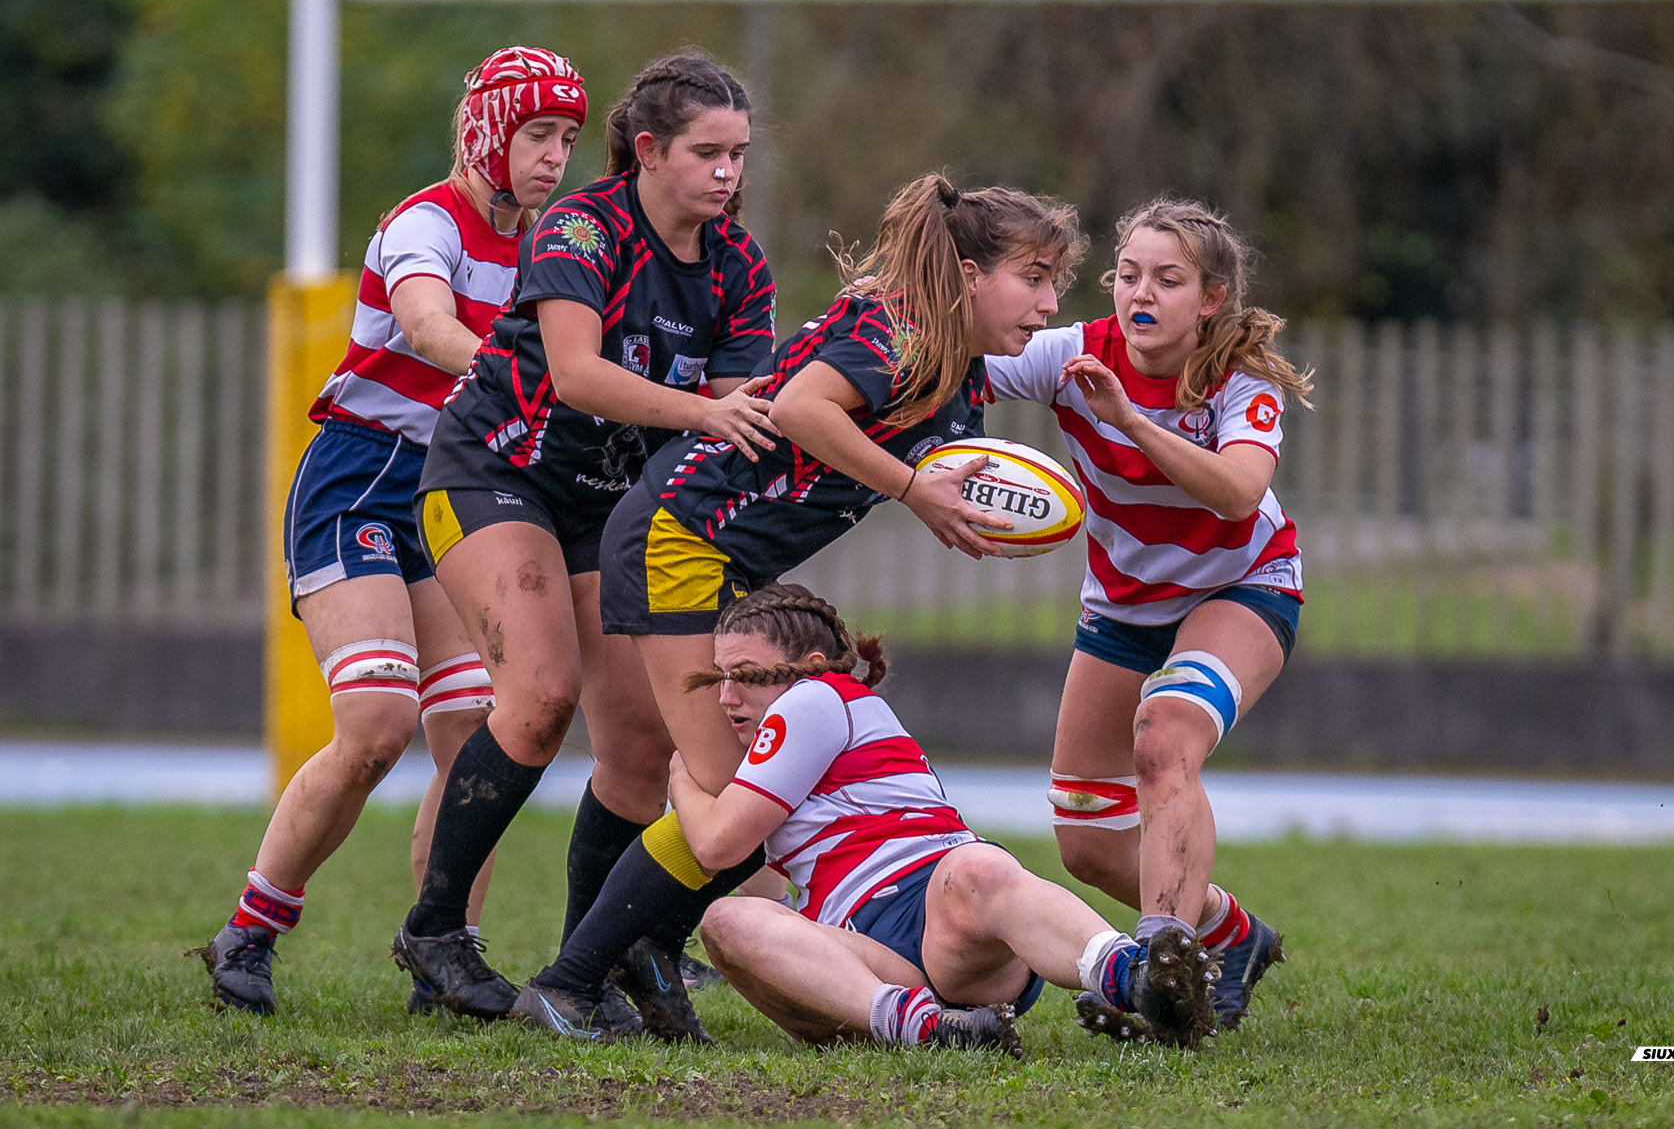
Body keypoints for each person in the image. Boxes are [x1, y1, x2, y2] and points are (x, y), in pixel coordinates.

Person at [505, 174, 1089, 1040]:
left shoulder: (957, 371)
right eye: (1032, 278)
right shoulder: (897, 328)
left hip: (721, 559)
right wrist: (912, 489)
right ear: (969, 274)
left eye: (1054, 285)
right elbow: (801, 407)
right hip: (679, 538)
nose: (1045, 304)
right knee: (726, 799)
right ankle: (568, 981)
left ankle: (644, 958)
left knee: (716, 793)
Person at [194, 46, 586, 1016]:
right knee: (375, 724)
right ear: (491, 131)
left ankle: (446, 950)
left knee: (479, 738)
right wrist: (525, 376)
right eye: (538, 133)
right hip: (360, 477)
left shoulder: (550, 242)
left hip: (456, 489)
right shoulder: (426, 221)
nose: (554, 157)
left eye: (569, 139)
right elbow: (424, 322)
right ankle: (249, 927)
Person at [391, 53, 778, 1031]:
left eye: (738, 153)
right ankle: (435, 932)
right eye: (706, 152)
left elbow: (737, 412)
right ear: (648, 151)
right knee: (541, 693)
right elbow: (574, 373)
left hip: (608, 511)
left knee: (641, 745)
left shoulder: (739, 265)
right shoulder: (583, 226)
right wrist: (707, 410)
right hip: (494, 474)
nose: (727, 172)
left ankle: (586, 968)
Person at [629, 584, 1216, 1053]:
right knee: (728, 924)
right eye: (720, 676)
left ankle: (1139, 977)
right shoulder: (764, 750)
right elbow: (744, 867)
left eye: (747, 675)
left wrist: (680, 772)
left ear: (809, 666)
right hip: (865, 958)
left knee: (979, 868)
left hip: (937, 902)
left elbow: (715, 844)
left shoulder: (815, 697)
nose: (727, 696)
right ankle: (933, 1030)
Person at [982, 198, 1312, 1034]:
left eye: (1168, 279)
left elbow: (1239, 493)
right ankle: (1229, 933)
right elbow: (954, 364)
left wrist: (1128, 418)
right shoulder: (1071, 355)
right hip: (1124, 603)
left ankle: (1167, 966)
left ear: (1210, 298)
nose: (1142, 292)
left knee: (1164, 742)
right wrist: (893, 313)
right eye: (1129, 274)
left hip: (1243, 586)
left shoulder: (1243, 382)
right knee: (1085, 837)